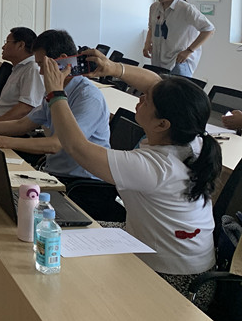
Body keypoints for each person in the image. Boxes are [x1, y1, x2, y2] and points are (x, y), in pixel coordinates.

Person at [38, 48, 221, 295]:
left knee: (58, 250)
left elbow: (77, 148)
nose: (140, 97)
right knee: (59, 231)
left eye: (147, 100)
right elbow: (154, 83)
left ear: (162, 124)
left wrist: (55, 93)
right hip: (154, 246)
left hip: (174, 278)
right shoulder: (191, 138)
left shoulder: (157, 167)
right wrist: (113, 68)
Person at [0, 29, 110, 180]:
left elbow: (56, 144)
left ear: (62, 61)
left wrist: (2, 141)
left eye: (41, 64)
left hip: (81, 182)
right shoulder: (56, 89)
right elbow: (22, 124)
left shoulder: (88, 97)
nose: (40, 72)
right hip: (55, 173)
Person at [143, 0, 214, 77]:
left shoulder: (186, 9)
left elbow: (208, 29)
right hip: (158, 59)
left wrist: (189, 51)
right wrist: (147, 43)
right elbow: (152, 27)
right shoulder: (154, 7)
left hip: (178, 61)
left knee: (178, 87)